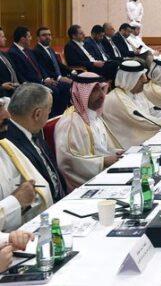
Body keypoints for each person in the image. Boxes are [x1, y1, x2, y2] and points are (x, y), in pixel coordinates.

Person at [54, 73, 123, 189]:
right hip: (85, 186)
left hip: (105, 175)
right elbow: (68, 161)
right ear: (81, 94)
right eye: (94, 90)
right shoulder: (70, 123)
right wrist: (102, 161)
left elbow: (100, 149)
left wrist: (115, 153)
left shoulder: (95, 117)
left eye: (102, 89)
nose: (101, 95)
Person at [4, 83, 66, 202]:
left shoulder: (32, 130)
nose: (49, 114)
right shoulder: (9, 144)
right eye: (49, 111)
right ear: (37, 114)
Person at [0, 98, 52, 230]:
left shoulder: (6, 147)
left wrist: (28, 196)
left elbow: (39, 191)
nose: (7, 115)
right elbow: (20, 198)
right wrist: (16, 201)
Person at [102, 61, 161, 149]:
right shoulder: (118, 99)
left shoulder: (136, 94)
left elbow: (155, 112)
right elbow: (144, 121)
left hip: (144, 142)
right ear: (131, 79)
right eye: (141, 76)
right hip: (127, 148)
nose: (145, 80)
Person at [8, 27, 70, 116]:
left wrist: (46, 78)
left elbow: (39, 67)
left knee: (64, 86)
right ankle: (50, 118)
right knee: (55, 90)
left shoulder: (28, 50)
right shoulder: (13, 52)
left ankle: (62, 116)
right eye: (29, 36)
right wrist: (42, 81)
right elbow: (23, 73)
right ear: (22, 39)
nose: (31, 39)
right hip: (30, 83)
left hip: (41, 80)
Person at [0, 27, 21, 97]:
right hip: (5, 94)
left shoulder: (5, 54)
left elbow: (16, 71)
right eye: (3, 36)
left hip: (17, 89)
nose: (5, 39)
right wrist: (2, 87)